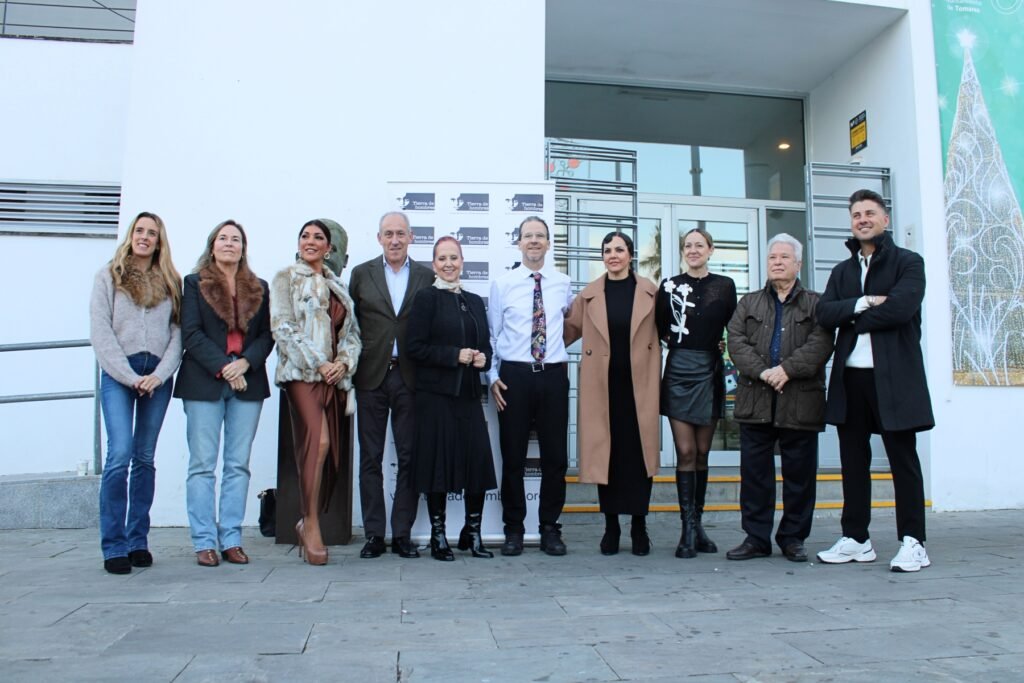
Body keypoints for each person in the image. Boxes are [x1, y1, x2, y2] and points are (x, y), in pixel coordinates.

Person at [816, 189, 935, 572]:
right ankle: (856, 538)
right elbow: (824, 314)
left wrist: (850, 315)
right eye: (856, 214)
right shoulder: (842, 271)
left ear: (885, 219)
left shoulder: (908, 262)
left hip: (895, 379)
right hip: (852, 380)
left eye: (869, 212)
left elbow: (901, 309)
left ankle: (914, 542)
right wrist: (866, 303)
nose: (862, 219)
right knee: (853, 462)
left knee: (903, 460)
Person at [725, 234, 833, 563]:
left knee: (800, 476)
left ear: (798, 264)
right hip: (755, 400)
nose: (777, 262)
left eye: (784, 257)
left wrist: (786, 369)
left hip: (799, 401)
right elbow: (736, 340)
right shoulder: (749, 303)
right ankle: (756, 538)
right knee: (755, 476)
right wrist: (763, 372)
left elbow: (821, 343)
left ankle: (793, 538)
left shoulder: (816, 304)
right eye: (772, 256)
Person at [174, 220, 274, 567]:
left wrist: (244, 363)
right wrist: (224, 367)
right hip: (204, 381)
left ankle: (231, 538)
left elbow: (266, 336)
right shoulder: (194, 284)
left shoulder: (259, 287)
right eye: (223, 238)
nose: (229, 243)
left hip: (247, 382)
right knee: (202, 465)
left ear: (243, 247)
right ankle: (204, 541)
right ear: (212, 245)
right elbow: (191, 333)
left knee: (237, 465)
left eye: (236, 239)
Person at [89, 211, 182, 575]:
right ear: (131, 235)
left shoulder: (171, 281)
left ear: (159, 241)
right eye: (140, 231)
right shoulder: (108, 276)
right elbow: (100, 331)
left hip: (156, 376)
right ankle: (113, 545)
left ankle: (137, 540)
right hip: (119, 374)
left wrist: (159, 375)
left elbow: (177, 335)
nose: (145, 237)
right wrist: (128, 376)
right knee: (120, 455)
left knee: (144, 457)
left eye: (152, 233)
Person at [270, 219, 361, 565]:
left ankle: (308, 520)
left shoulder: (338, 286)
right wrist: (318, 362)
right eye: (305, 236)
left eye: (318, 237)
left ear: (329, 248)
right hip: (302, 376)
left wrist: (343, 362)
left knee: (329, 452)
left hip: (334, 380)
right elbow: (283, 327)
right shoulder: (286, 278)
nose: (310, 241)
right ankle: (310, 524)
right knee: (317, 443)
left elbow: (352, 334)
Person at [564, 232, 660, 556]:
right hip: (602, 389)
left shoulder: (650, 292)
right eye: (607, 250)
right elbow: (563, 333)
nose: (613, 255)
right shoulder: (588, 296)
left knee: (638, 458)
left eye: (619, 249)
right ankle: (611, 527)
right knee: (609, 458)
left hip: (640, 388)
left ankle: (639, 526)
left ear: (631, 255)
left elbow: (673, 329)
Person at [348, 211, 434, 559]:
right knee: (370, 458)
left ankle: (401, 534)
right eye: (389, 234)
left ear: (411, 237)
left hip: (411, 377)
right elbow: (349, 325)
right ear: (379, 238)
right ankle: (373, 535)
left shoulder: (427, 276)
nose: (395, 240)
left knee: (409, 458)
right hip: (371, 376)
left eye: (401, 233)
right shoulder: (361, 274)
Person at [406, 236, 497, 561]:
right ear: (434, 264)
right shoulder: (425, 299)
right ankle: (437, 536)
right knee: (437, 467)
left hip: (469, 395)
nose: (448, 263)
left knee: (477, 464)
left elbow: (485, 344)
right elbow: (413, 348)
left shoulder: (473, 301)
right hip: (435, 397)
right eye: (442, 258)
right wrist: (453, 355)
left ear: (462, 262)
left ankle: (472, 534)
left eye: (454, 258)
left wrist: (482, 358)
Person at [488, 216, 574, 556]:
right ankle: (514, 529)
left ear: (549, 243)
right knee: (512, 456)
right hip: (515, 377)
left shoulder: (563, 283)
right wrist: (493, 377)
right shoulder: (503, 284)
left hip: (553, 374)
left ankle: (550, 527)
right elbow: (494, 336)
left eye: (540, 236)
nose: (534, 241)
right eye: (528, 236)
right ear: (519, 243)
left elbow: (567, 325)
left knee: (556, 457)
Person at [656, 227, 737, 558]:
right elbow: (660, 328)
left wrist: (725, 352)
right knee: (685, 451)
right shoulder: (669, 286)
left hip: (710, 369)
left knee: (703, 452)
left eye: (699, 245)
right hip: (678, 369)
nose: (693, 250)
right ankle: (686, 528)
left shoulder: (725, 286)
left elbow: (735, 328)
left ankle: (698, 525)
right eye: (687, 246)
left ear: (710, 249)